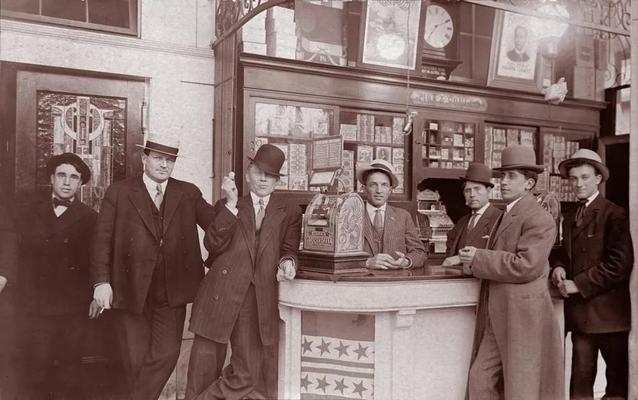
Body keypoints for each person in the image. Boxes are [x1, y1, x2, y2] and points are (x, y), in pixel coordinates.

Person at [91, 134, 216, 400]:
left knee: (167, 353)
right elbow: (102, 239)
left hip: (171, 291)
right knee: (135, 359)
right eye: (158, 158)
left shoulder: (188, 192)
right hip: (129, 287)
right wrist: (101, 282)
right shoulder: (120, 191)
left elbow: (216, 227)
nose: (164, 165)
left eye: (170, 160)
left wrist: (229, 202)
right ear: (144, 157)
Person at [186, 143, 301, 400]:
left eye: (270, 175)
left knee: (245, 373)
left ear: (277, 182)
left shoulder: (289, 212)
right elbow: (212, 245)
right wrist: (230, 205)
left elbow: (289, 249)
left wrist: (288, 263)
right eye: (259, 171)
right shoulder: (230, 204)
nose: (263, 179)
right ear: (248, 173)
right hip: (220, 293)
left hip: (255, 300)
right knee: (202, 369)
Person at [458, 145, 563, 399]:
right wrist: (470, 260)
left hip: (523, 317)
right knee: (481, 379)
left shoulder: (539, 217)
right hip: (503, 314)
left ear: (529, 183)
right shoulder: (508, 213)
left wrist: (479, 258)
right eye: (502, 176)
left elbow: (526, 265)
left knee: (521, 387)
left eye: (511, 176)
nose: (503, 182)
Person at [11, 153, 99, 399]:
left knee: (70, 369)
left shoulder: (91, 218)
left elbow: (96, 260)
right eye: (61, 175)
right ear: (51, 178)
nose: (67, 182)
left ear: (81, 183)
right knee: (36, 368)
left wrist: (95, 294)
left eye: (74, 177)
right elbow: (13, 251)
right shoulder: (27, 211)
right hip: (35, 305)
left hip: (73, 306)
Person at [551, 149, 633, 399]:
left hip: (610, 317)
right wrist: (558, 266)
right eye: (574, 178)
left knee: (616, 388)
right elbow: (563, 251)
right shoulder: (570, 215)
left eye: (585, 177)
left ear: (598, 178)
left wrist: (578, 284)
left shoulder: (614, 213)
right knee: (580, 386)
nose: (578, 184)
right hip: (582, 317)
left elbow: (619, 264)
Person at [356, 159, 425, 270]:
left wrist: (406, 262)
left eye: (384, 185)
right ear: (364, 189)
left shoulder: (403, 216)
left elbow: (419, 252)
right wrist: (367, 263)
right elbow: (338, 256)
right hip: (361, 282)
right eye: (373, 185)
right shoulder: (352, 216)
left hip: (394, 282)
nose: (379, 190)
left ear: (390, 190)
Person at [445, 162, 502, 258]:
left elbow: (499, 256)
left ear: (488, 191)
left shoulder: (499, 218)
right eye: (468, 190)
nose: (472, 194)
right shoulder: (462, 222)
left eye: (477, 189)